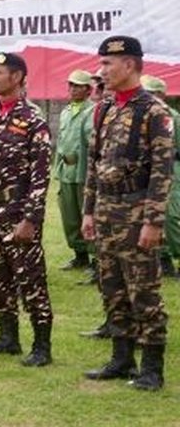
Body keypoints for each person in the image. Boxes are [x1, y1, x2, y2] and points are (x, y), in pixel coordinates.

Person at [82, 36, 172, 390]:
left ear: (130, 65)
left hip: (136, 212)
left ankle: (152, 367)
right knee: (112, 286)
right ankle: (121, 359)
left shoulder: (154, 112)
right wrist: (89, 211)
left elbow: (162, 172)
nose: (101, 71)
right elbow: (95, 163)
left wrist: (153, 221)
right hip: (106, 209)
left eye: (107, 64)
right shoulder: (105, 108)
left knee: (144, 289)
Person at [0, 52, 54, 368]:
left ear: (17, 77)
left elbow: (41, 176)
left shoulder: (34, 120)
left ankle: (42, 346)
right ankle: (8, 338)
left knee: (31, 280)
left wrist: (31, 218)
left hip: (18, 213)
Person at [55, 70, 96, 271]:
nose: (72, 89)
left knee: (87, 214)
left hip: (83, 171)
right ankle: (80, 255)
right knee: (69, 216)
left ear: (89, 90)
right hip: (66, 171)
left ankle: (96, 258)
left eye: (77, 86)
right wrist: (57, 170)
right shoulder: (65, 111)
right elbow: (61, 143)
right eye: (70, 85)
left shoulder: (93, 111)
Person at [141, 75, 180, 279]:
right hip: (149, 171)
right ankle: (163, 260)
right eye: (146, 91)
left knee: (172, 218)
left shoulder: (170, 116)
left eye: (152, 92)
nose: (149, 96)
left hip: (171, 170)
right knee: (153, 216)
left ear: (162, 94)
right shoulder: (142, 113)